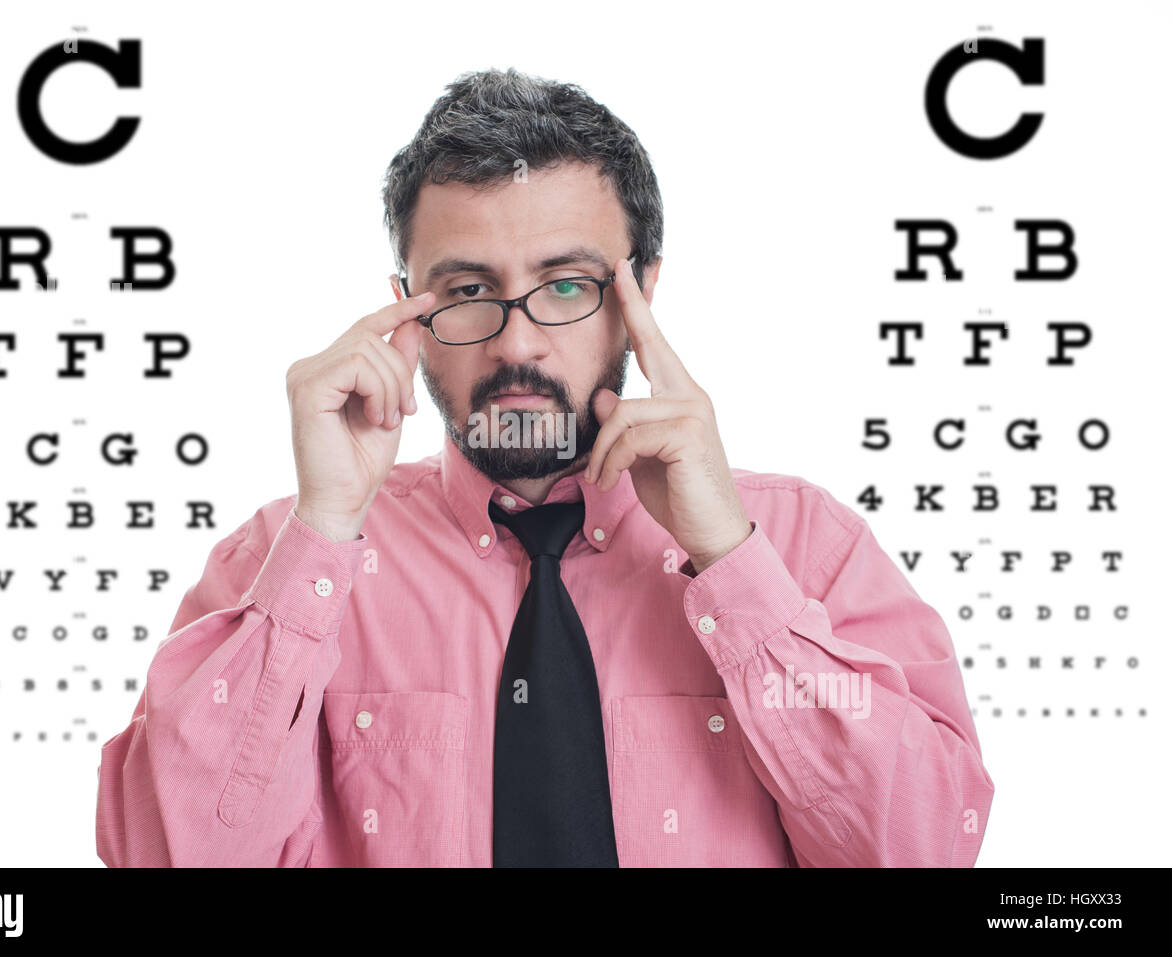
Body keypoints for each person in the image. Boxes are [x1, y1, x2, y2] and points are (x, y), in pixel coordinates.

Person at [95, 67, 994, 867]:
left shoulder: (805, 547)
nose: (516, 343)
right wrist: (326, 526)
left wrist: (729, 556)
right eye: (468, 291)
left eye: (566, 284)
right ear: (405, 309)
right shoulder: (279, 564)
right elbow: (166, 854)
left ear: (644, 292)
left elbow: (921, 847)